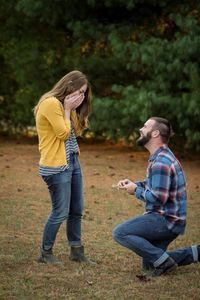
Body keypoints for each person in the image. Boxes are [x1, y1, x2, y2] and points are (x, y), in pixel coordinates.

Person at [112, 117, 199, 276]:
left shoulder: (161, 161)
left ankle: (165, 262)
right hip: (173, 220)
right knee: (150, 266)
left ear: (155, 133)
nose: (141, 129)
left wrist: (135, 191)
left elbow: (159, 198)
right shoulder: (161, 156)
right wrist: (135, 184)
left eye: (145, 127)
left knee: (120, 233)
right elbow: (156, 185)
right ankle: (195, 253)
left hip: (166, 220)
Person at [34, 70, 94, 264]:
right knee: (60, 212)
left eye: (84, 93)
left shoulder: (64, 106)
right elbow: (62, 134)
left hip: (72, 161)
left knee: (76, 209)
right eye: (79, 91)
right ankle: (45, 253)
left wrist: (74, 109)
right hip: (56, 165)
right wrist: (67, 110)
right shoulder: (51, 103)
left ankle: (76, 251)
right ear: (68, 86)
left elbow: (75, 131)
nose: (81, 96)